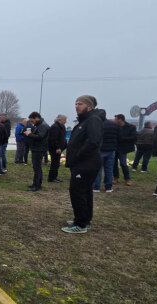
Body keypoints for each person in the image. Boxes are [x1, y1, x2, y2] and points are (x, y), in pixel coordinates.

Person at [62, 95, 103, 234]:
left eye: (80, 104)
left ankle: (80, 224)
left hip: (86, 164)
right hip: (82, 164)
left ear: (89, 106)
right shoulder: (85, 120)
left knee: (77, 192)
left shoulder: (93, 120)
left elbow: (93, 141)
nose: (76, 106)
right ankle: (84, 219)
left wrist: (78, 155)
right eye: (75, 103)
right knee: (85, 192)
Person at [92, 110, 119, 192]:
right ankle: (108, 187)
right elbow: (118, 137)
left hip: (100, 150)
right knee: (109, 169)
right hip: (111, 150)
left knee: (98, 169)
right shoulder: (114, 124)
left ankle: (96, 187)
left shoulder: (98, 124)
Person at [24, 112, 50, 191]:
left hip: (39, 149)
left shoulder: (43, 126)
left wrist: (29, 134)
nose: (32, 122)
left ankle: (36, 185)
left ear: (37, 118)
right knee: (37, 167)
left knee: (37, 167)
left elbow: (40, 137)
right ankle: (38, 183)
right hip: (37, 148)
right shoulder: (39, 125)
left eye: (32, 120)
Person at [113, 114, 136, 186]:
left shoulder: (131, 127)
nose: (114, 120)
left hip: (123, 148)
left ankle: (127, 179)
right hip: (115, 147)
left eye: (116, 119)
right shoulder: (115, 127)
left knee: (123, 164)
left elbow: (134, 137)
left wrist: (123, 138)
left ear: (120, 119)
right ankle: (116, 177)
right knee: (114, 164)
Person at [47, 114, 67, 183]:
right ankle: (51, 178)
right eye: (64, 120)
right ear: (60, 120)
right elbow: (53, 139)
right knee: (54, 164)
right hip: (55, 149)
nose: (65, 122)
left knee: (57, 164)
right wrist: (57, 147)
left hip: (59, 148)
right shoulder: (55, 127)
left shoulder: (61, 126)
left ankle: (55, 177)